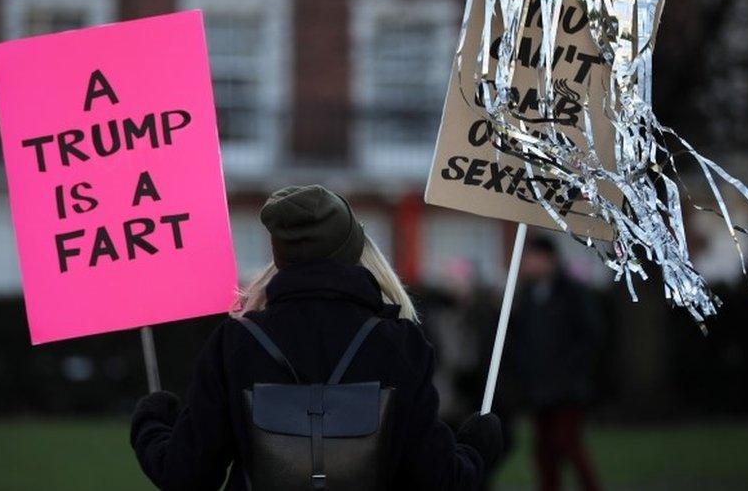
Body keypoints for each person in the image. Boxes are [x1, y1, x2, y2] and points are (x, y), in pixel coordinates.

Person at [130, 185, 504, 490]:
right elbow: (438, 479)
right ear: (352, 250)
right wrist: (478, 443)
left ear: (279, 255)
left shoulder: (235, 342)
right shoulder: (399, 341)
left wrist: (152, 419)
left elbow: (186, 476)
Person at [508, 236, 604, 491]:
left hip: (566, 389)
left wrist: (570, 371)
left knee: (568, 445)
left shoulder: (573, 293)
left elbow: (589, 336)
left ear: (549, 259)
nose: (528, 264)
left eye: (533, 258)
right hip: (538, 390)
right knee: (544, 452)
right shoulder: (527, 296)